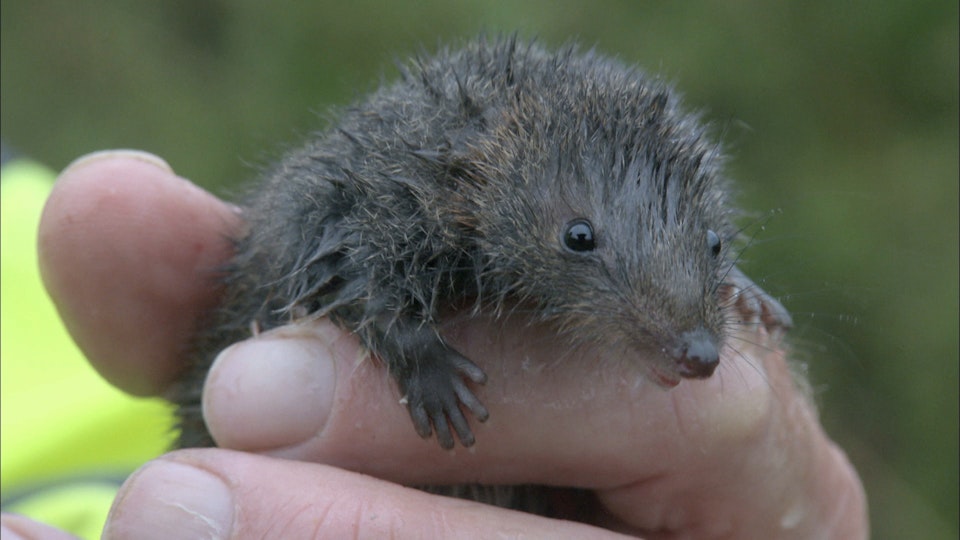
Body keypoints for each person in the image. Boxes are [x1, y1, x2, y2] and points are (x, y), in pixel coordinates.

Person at [3, 150, 868, 538]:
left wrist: (714, 277)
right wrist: (409, 349)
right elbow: (339, 241)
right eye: (579, 245)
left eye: (712, 251)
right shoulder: (406, 186)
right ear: (474, 185)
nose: (695, 356)